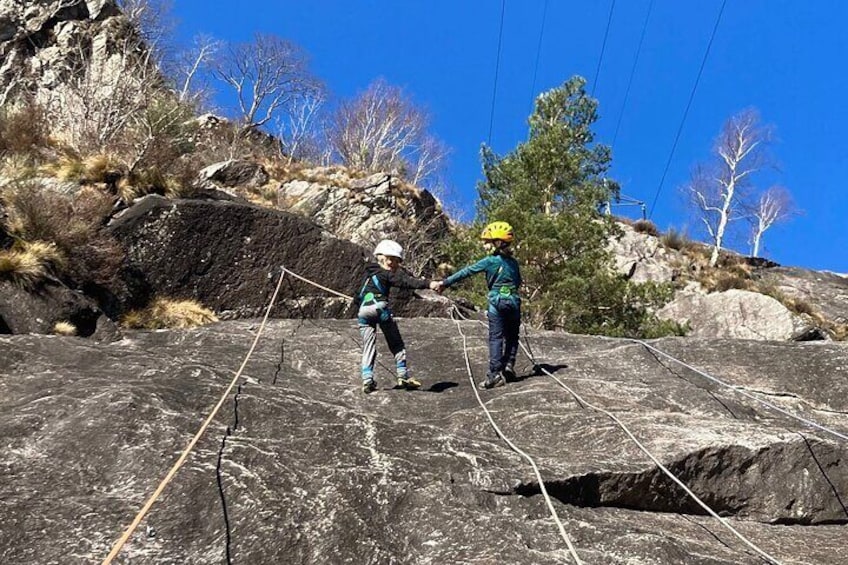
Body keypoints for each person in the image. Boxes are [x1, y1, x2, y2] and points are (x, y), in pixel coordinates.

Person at [439, 221, 521, 389]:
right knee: (512, 336)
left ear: (498, 243)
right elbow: (518, 281)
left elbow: (467, 271)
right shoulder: (513, 263)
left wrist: (445, 283)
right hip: (513, 302)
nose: (485, 245)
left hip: (496, 303)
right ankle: (509, 366)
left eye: (487, 242)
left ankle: (494, 375)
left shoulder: (490, 261)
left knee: (496, 337)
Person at [355, 239, 442, 394]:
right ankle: (402, 375)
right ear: (380, 257)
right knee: (396, 343)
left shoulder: (368, 273)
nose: (393, 263)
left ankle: (367, 379)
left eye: (396, 261)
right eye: (390, 259)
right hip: (380, 308)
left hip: (363, 312)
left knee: (368, 345)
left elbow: (358, 295)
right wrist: (429, 284)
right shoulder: (386, 274)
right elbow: (406, 281)